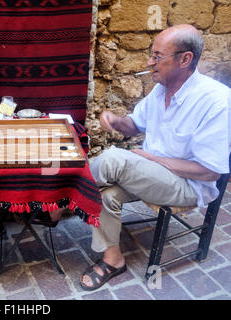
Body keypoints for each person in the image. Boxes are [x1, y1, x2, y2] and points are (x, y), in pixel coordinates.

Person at [79, 24, 230, 291]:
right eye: (151, 55)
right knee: (106, 193)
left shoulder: (216, 101)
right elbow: (135, 125)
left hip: (187, 185)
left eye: (157, 56)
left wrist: (151, 160)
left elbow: (210, 173)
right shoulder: (160, 89)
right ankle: (113, 259)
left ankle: (58, 200)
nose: (150, 62)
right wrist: (116, 122)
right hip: (153, 174)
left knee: (115, 160)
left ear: (185, 59)